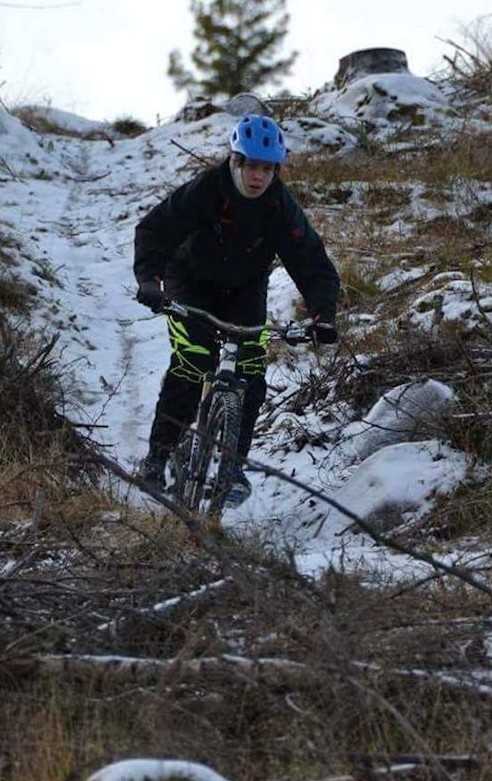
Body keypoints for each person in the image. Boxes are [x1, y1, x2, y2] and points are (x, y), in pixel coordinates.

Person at [133, 114, 341, 505]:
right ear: (235, 161)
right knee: (193, 362)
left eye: (268, 169)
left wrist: (323, 315)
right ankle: (157, 457)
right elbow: (155, 230)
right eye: (252, 166)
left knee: (251, 371)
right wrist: (149, 280)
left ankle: (233, 467)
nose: (259, 177)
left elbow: (311, 261)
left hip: (245, 288)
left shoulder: (279, 206)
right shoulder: (206, 191)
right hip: (189, 280)